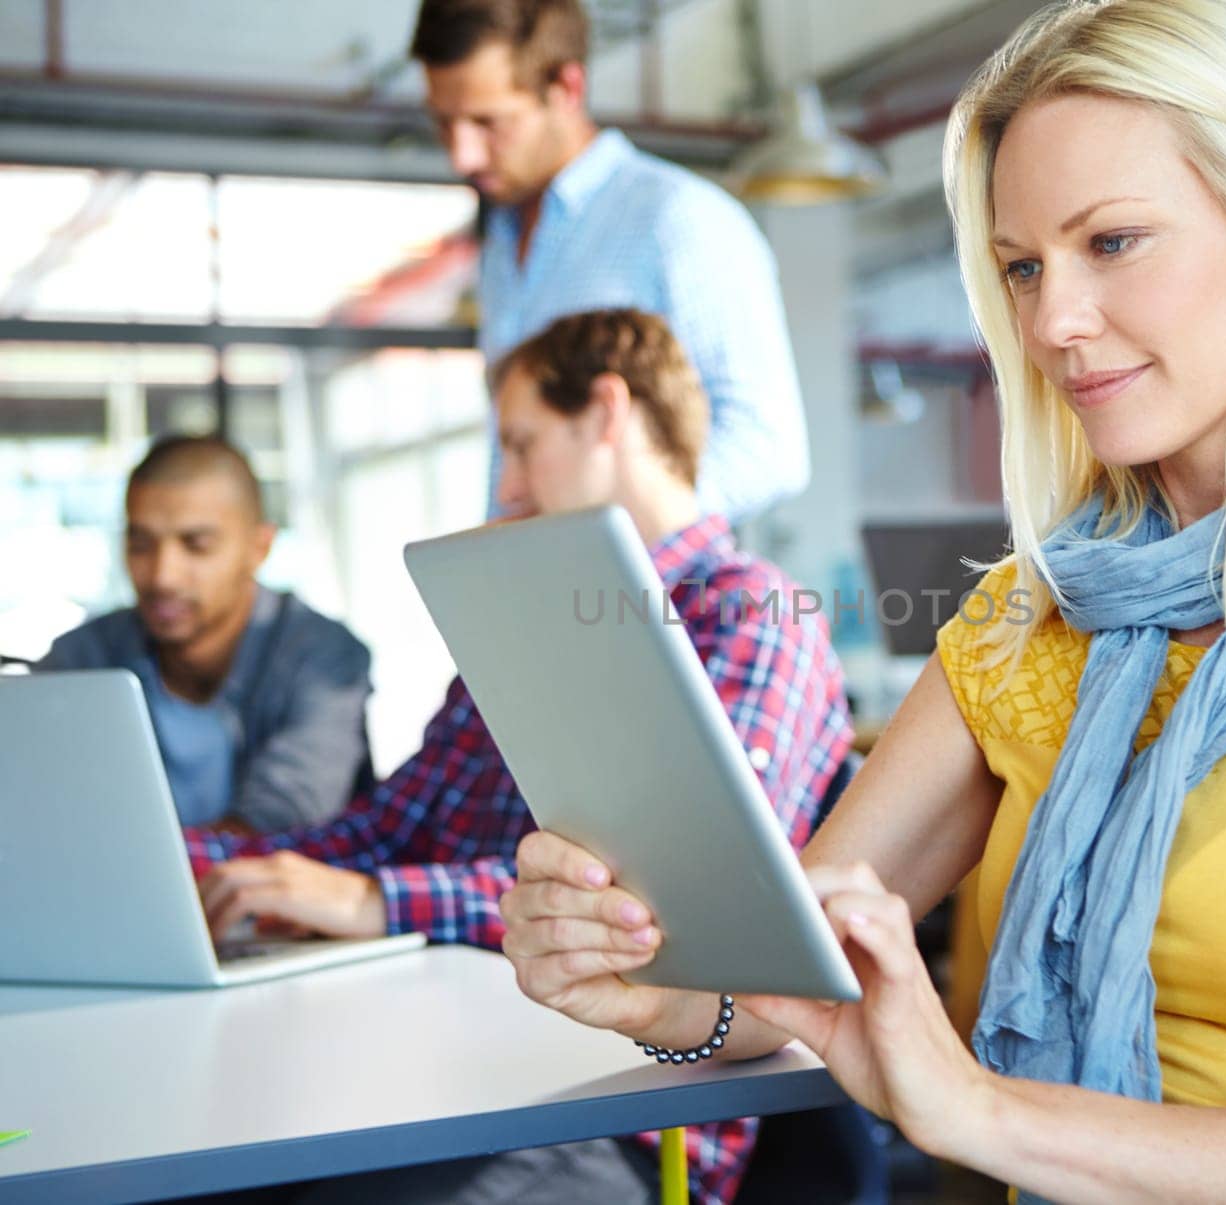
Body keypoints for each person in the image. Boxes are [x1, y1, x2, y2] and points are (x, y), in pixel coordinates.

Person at [498, 3, 1226, 1203]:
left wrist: (979, 1109)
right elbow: (789, 969)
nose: (1050, 323)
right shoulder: (1029, 621)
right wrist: (650, 987)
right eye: (1022, 266)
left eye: (1112, 242)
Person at [188, 309, 853, 1205]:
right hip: (455, 1060)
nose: (505, 487)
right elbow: (393, 825)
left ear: (607, 412)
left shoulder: (750, 614)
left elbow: (677, 905)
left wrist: (374, 901)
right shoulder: (524, 611)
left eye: (521, 443)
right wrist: (198, 867)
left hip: (629, 1110)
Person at [412, 0, 810, 521]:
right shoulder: (500, 248)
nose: (462, 155)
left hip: (644, 593)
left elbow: (767, 448)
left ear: (568, 89)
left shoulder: (680, 220)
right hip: (539, 588)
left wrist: (620, 539)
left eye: (489, 122)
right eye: (445, 124)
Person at [39, 435, 372, 832]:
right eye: (141, 544)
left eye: (196, 546)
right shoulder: (81, 659)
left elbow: (285, 816)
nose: (163, 576)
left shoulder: (322, 656)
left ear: (259, 547)